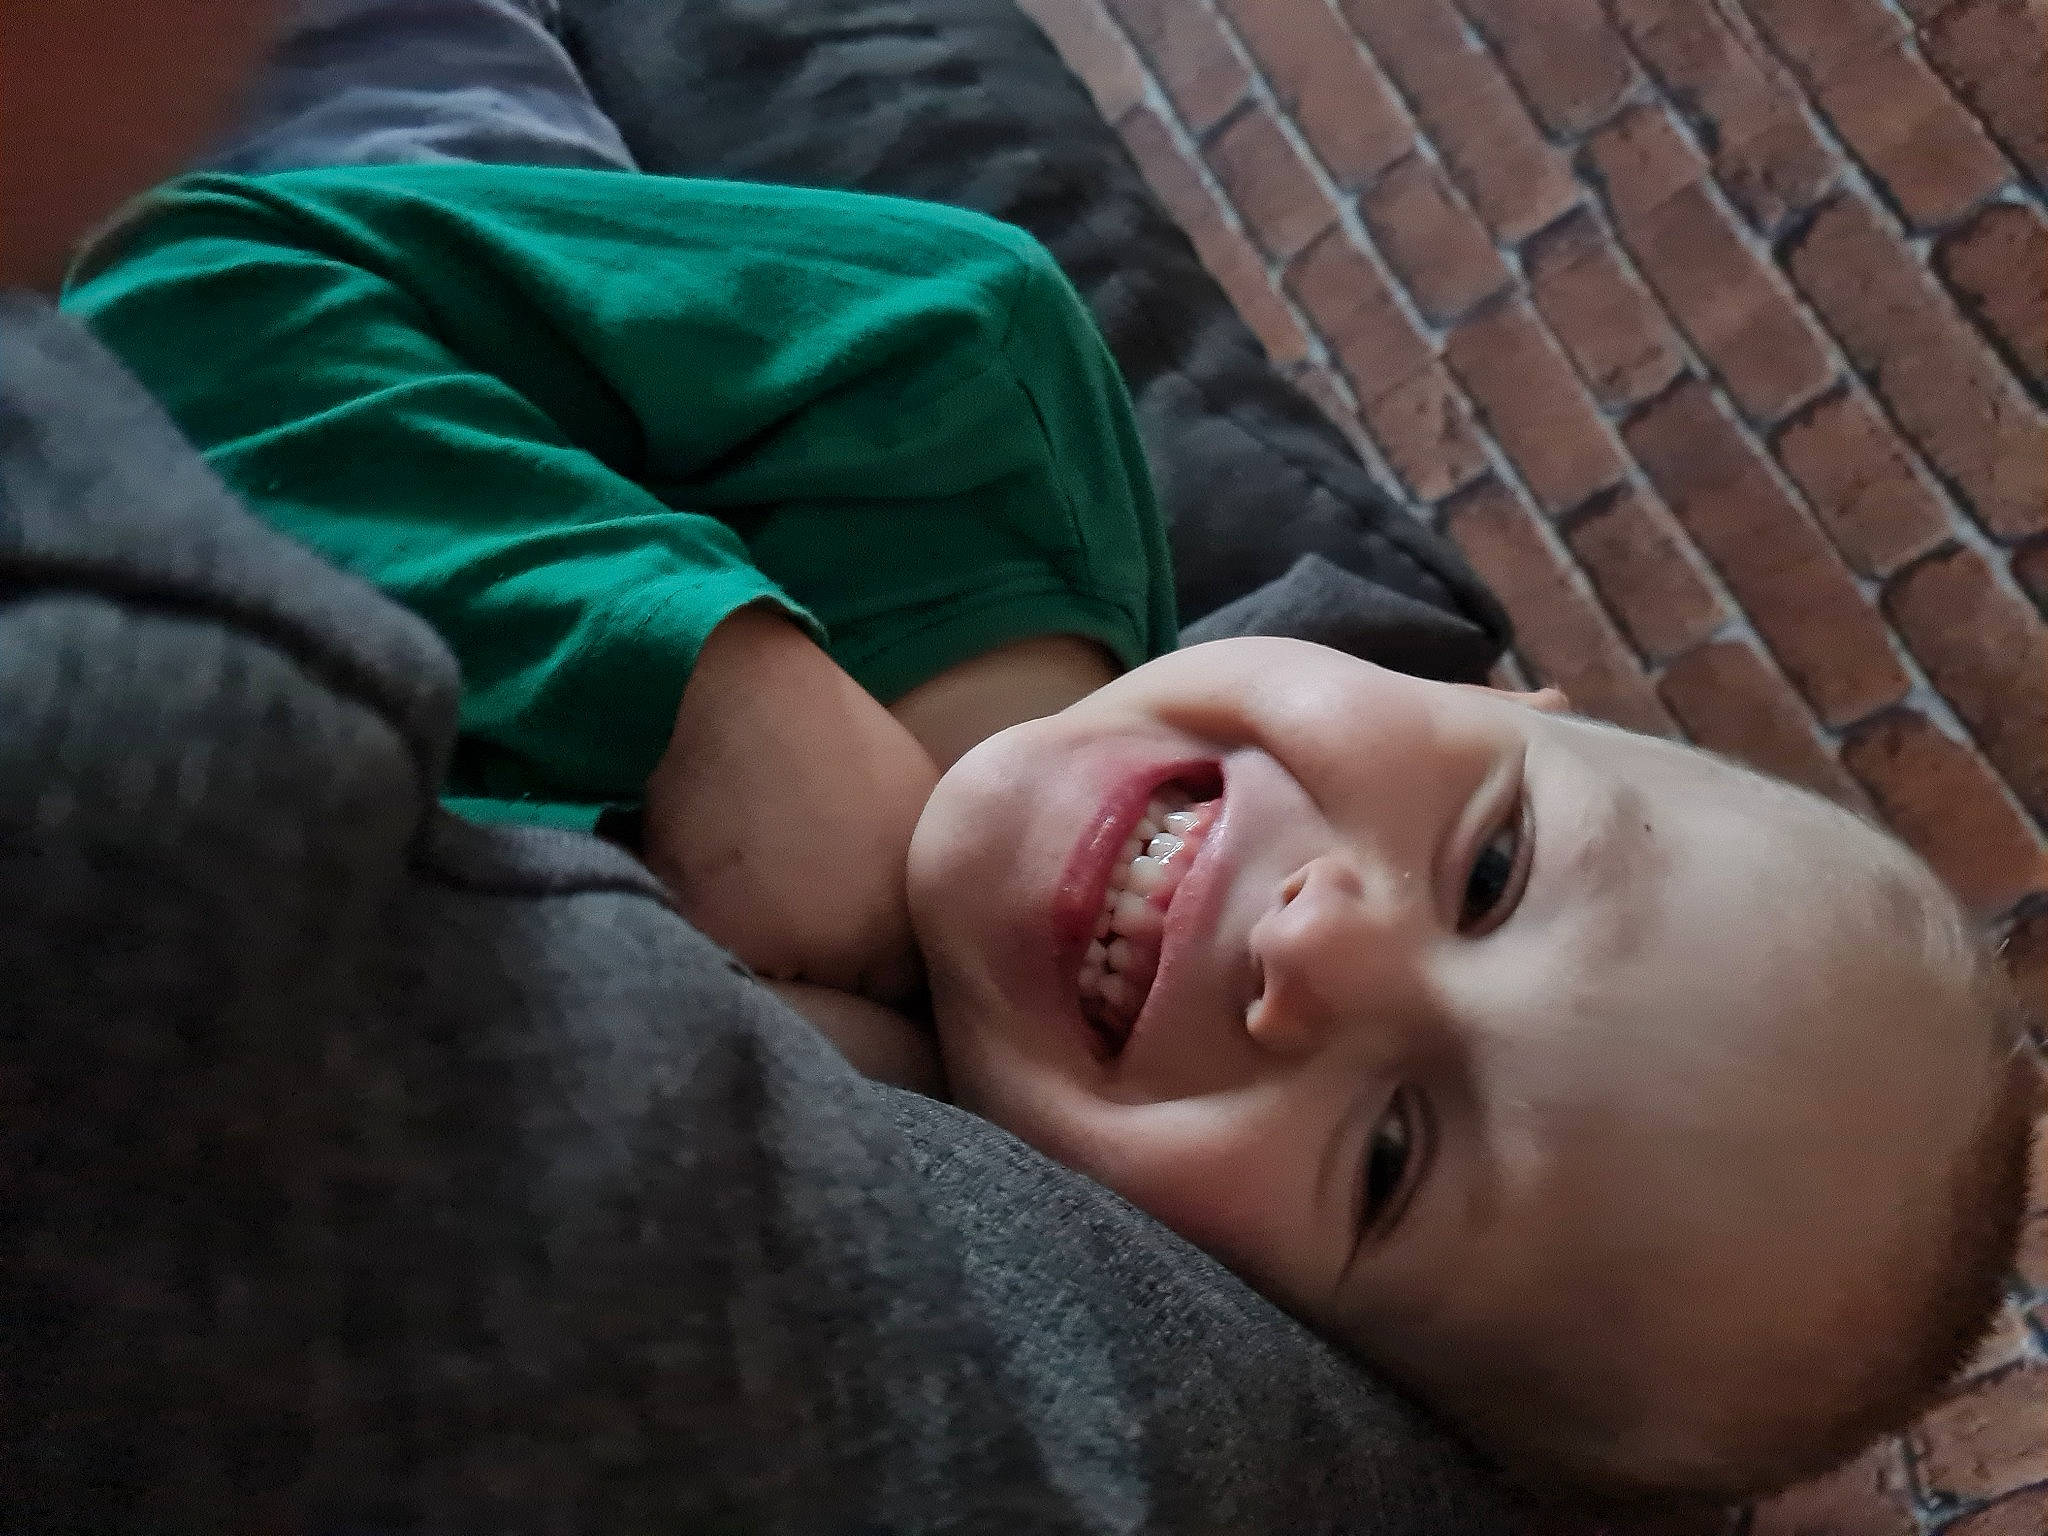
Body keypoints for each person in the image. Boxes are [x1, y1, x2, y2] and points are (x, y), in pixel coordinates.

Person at [57, 0, 2038, 1506]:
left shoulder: (826, 1208)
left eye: (1388, 1157)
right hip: (369, 151)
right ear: (1497, 705)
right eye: (1493, 871)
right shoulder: (954, 370)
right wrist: (713, 683)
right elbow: (175, 282)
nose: (1324, 947)